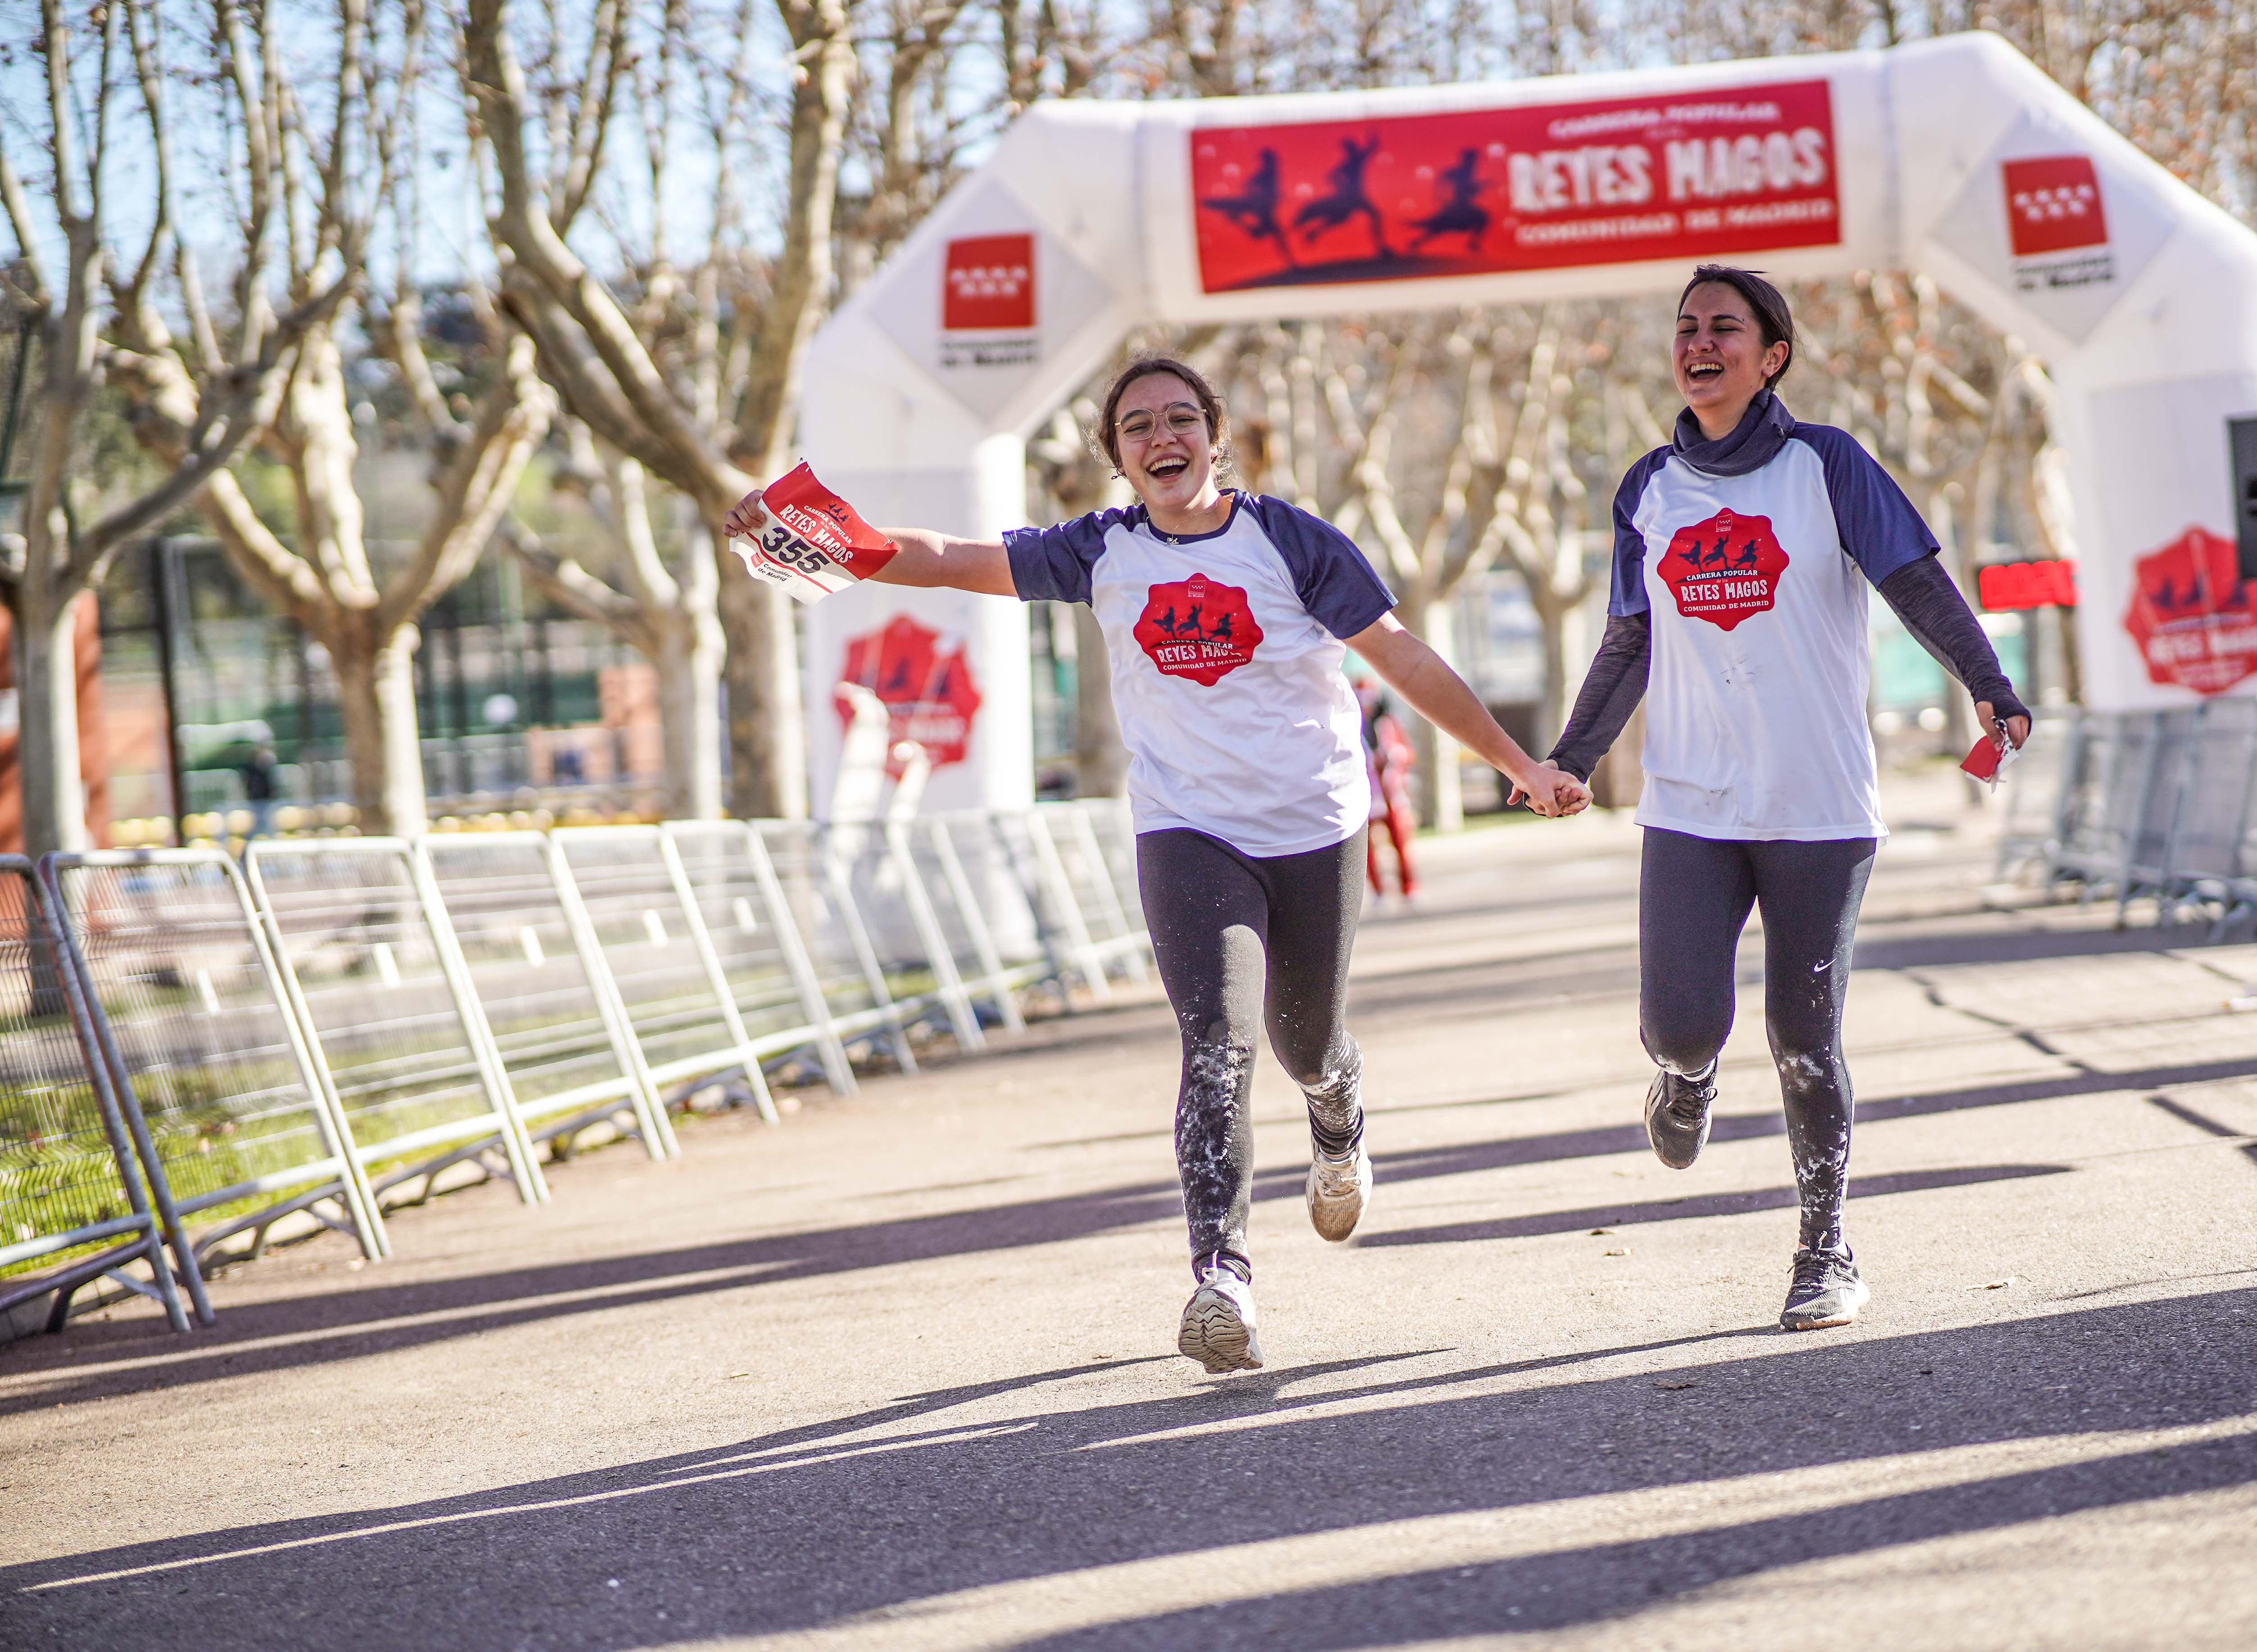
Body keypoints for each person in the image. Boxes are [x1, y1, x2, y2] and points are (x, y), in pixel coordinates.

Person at [725, 357, 1590, 1374]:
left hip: (1314, 821)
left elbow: (1401, 657)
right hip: (1190, 829)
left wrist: (1518, 763)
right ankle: (1222, 1277)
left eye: (1182, 418)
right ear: (1118, 458)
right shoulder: (1103, 550)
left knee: (1303, 1040)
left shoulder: (1294, 543)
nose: (1162, 437)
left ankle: (1337, 1103)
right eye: (1138, 427)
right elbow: (953, 557)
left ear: (1215, 439)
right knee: (1217, 1044)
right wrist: (849, 547)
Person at [1541, 264, 2030, 1332]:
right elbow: (1631, 638)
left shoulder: (1828, 466)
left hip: (1819, 803)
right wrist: (1573, 756)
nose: (1698, 343)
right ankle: (1685, 1077)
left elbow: (1915, 583)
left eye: (1724, 328)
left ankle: (1825, 1249)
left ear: (1772, 358)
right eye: (1685, 328)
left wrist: (1991, 688)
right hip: (1691, 802)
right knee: (1681, 1022)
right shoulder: (1647, 489)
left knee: (1805, 1038)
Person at [1352, 667, 1419, 901]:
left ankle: (1409, 888)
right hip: (1364, 793)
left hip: (1391, 791)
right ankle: (1379, 890)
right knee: (1365, 847)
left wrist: (1394, 755)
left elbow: (1409, 753)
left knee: (1401, 841)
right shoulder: (1349, 726)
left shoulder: (1389, 724)